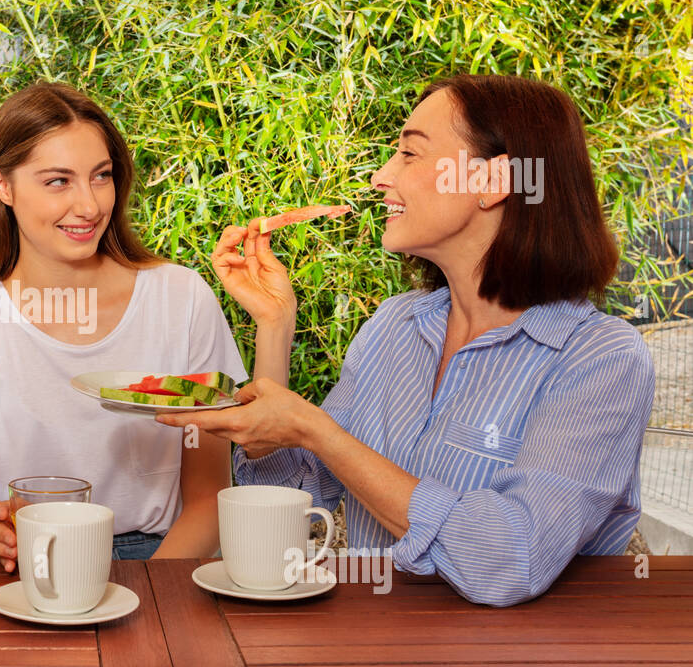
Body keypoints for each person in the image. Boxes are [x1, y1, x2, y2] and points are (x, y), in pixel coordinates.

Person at [159, 74, 654, 607]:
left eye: (410, 155)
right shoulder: (396, 327)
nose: (380, 177)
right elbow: (291, 504)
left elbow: (511, 558)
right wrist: (276, 327)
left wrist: (317, 430)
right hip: (367, 651)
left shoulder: (600, 360)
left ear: (492, 182)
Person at [0, 83, 246, 570]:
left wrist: (147, 597)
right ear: (2, 186)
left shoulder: (181, 300)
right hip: (32, 570)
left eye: (101, 176)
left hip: (163, 565)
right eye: (57, 181)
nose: (89, 206)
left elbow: (207, 498)